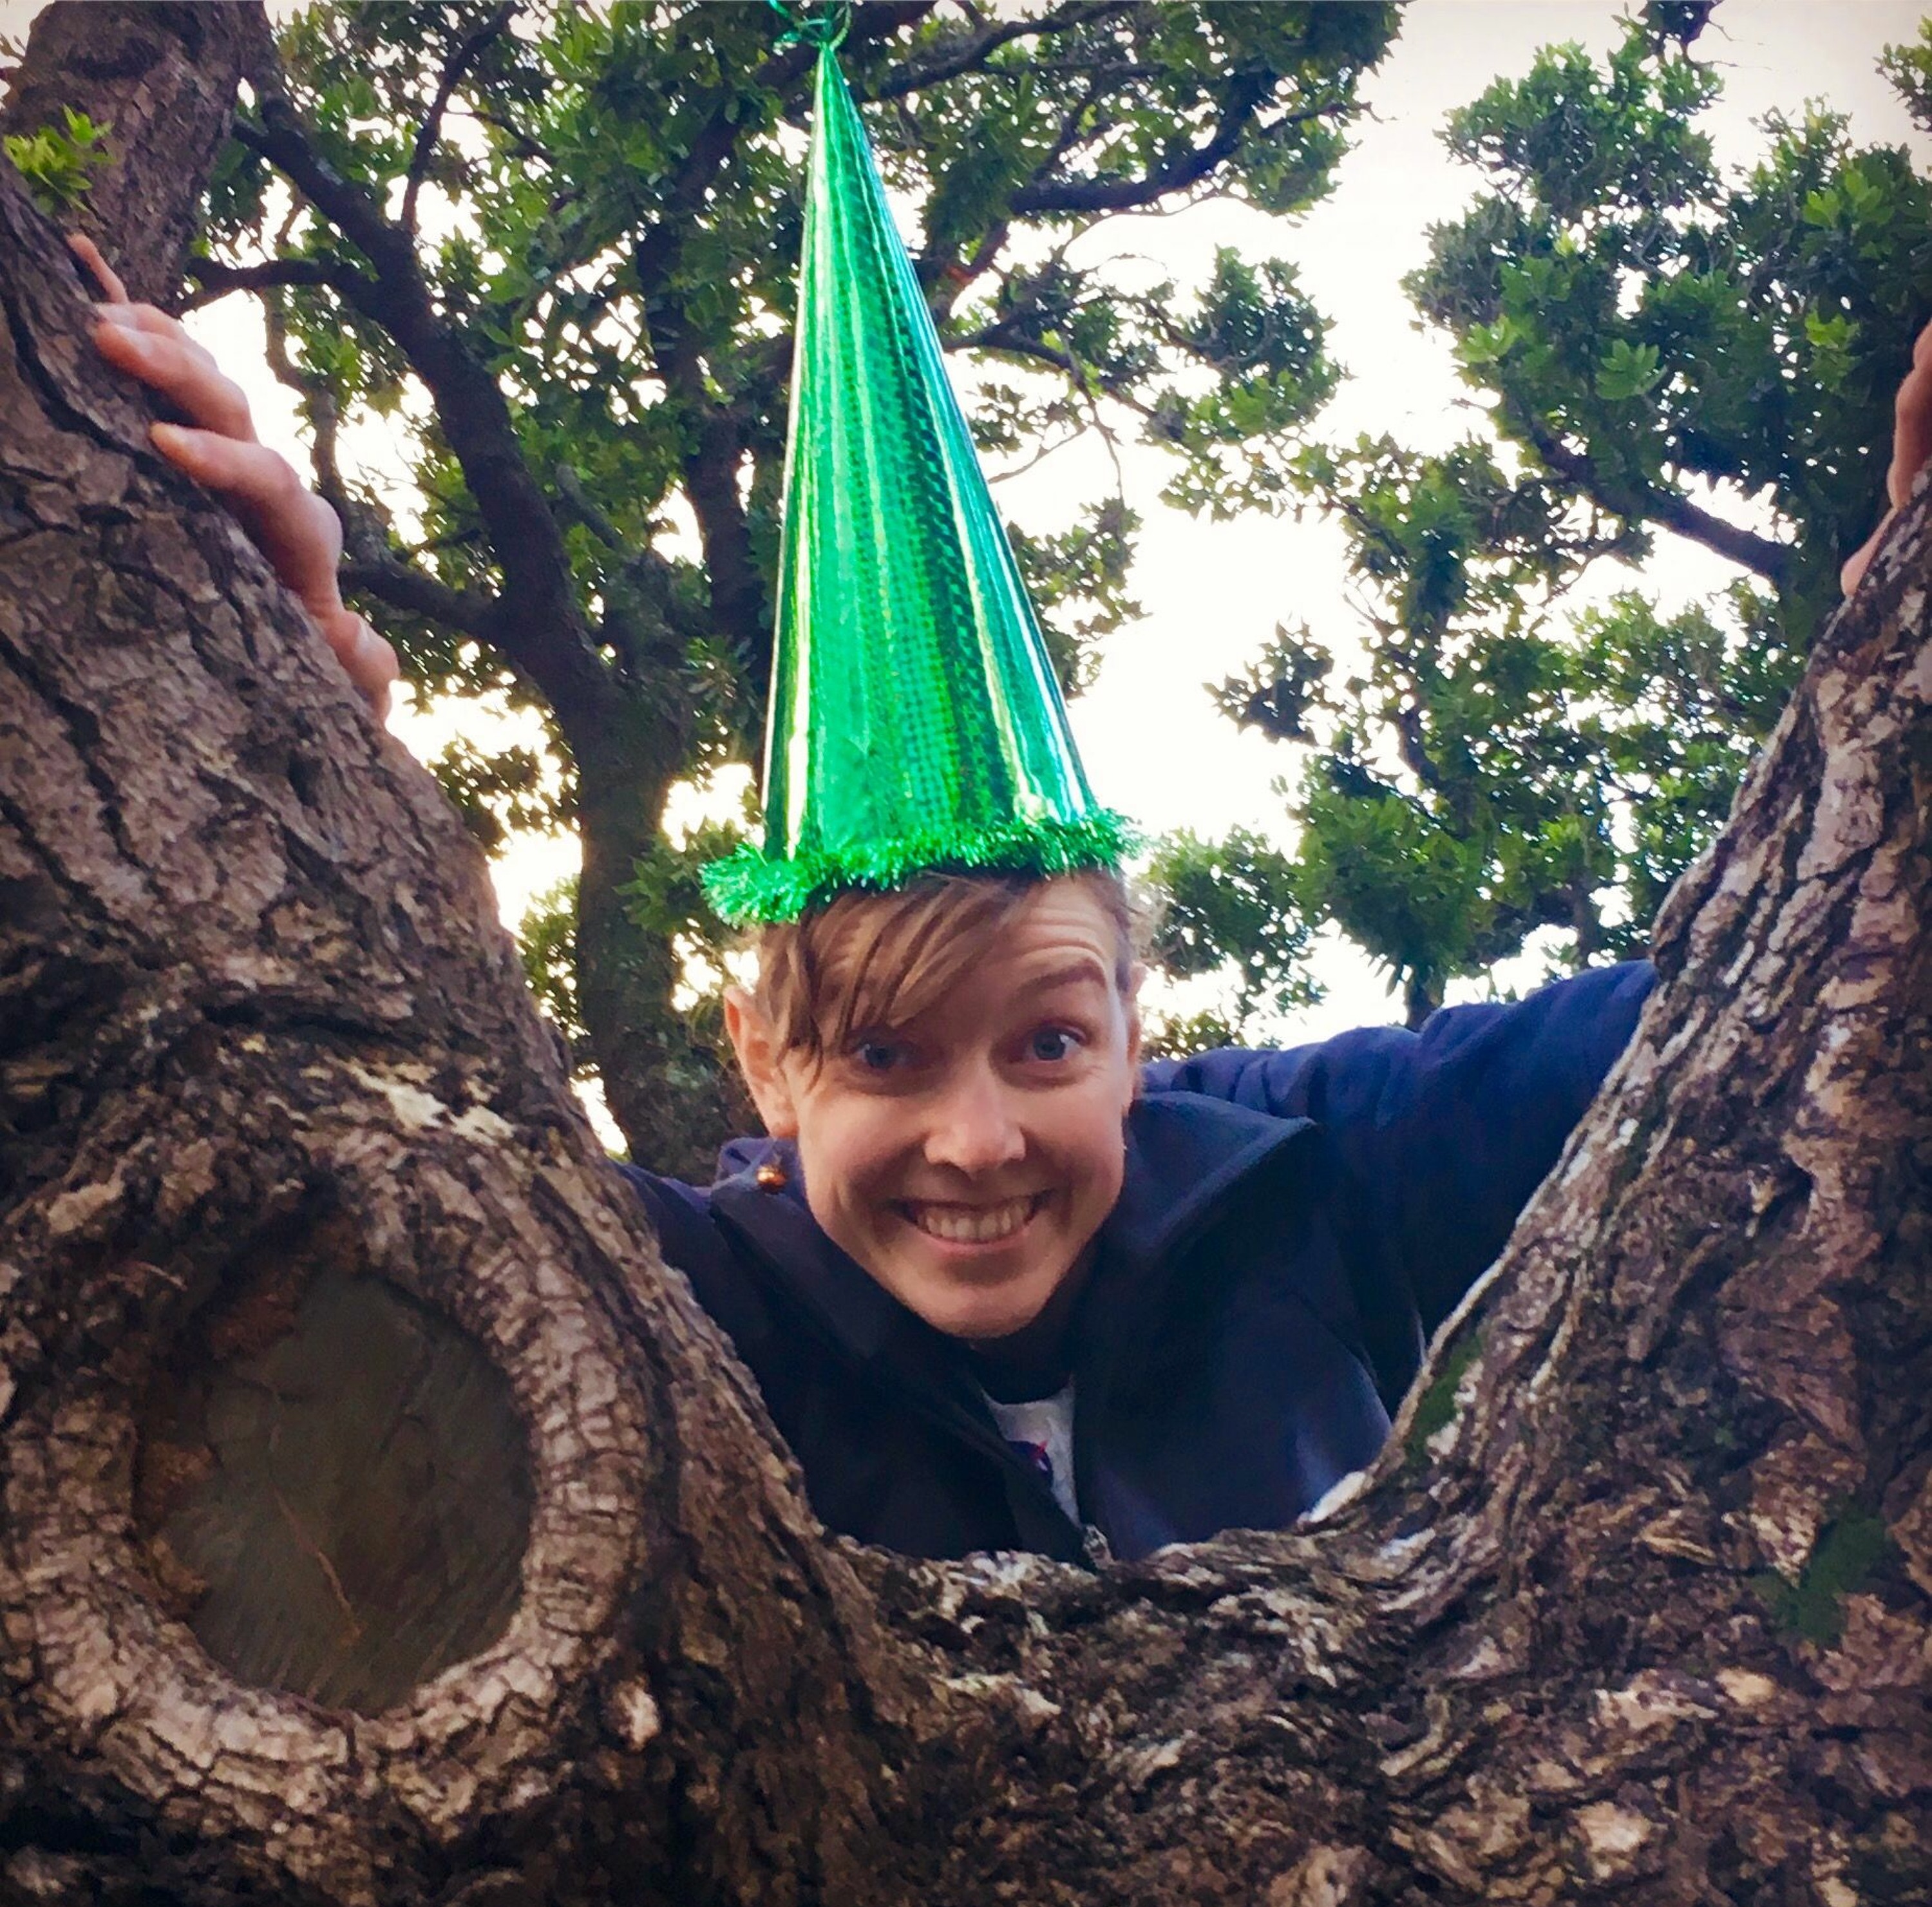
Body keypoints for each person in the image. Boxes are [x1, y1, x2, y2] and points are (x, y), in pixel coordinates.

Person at [71, 46, 1931, 1564]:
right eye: (882, 1055)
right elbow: (324, 1177)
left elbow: (1757, 1021)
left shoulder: (1299, 1178)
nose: (978, 1143)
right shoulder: (673, 1299)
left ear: (1136, 1027)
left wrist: (1888, 706)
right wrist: (289, 771)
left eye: (1048, 1041)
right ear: (764, 1065)